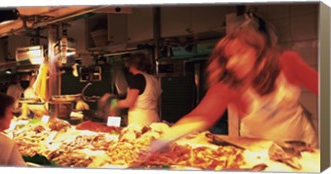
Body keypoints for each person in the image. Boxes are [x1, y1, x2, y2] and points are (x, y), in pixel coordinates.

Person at [150, 16, 319, 152]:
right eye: (227, 58)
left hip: (301, 147)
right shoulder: (227, 86)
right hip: (259, 150)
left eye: (240, 53)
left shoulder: (287, 63)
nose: (231, 63)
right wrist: (165, 139)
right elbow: (200, 117)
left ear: (257, 52)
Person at [104, 53, 162, 127]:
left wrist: (113, 103)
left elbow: (129, 102)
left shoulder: (138, 78)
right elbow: (157, 102)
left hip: (140, 122)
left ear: (133, 64)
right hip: (153, 119)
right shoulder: (154, 79)